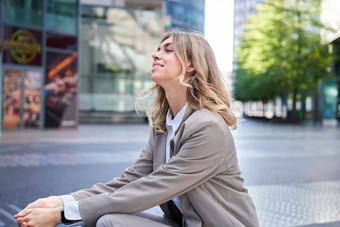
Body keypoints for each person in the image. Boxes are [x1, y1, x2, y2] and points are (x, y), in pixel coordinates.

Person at [14, 30, 259, 227]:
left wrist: (64, 215)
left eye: (168, 50)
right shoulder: (164, 124)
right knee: (105, 218)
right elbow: (130, 180)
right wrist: (60, 201)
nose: (156, 55)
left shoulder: (208, 127)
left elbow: (154, 187)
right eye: (157, 49)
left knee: (108, 221)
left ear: (192, 65)